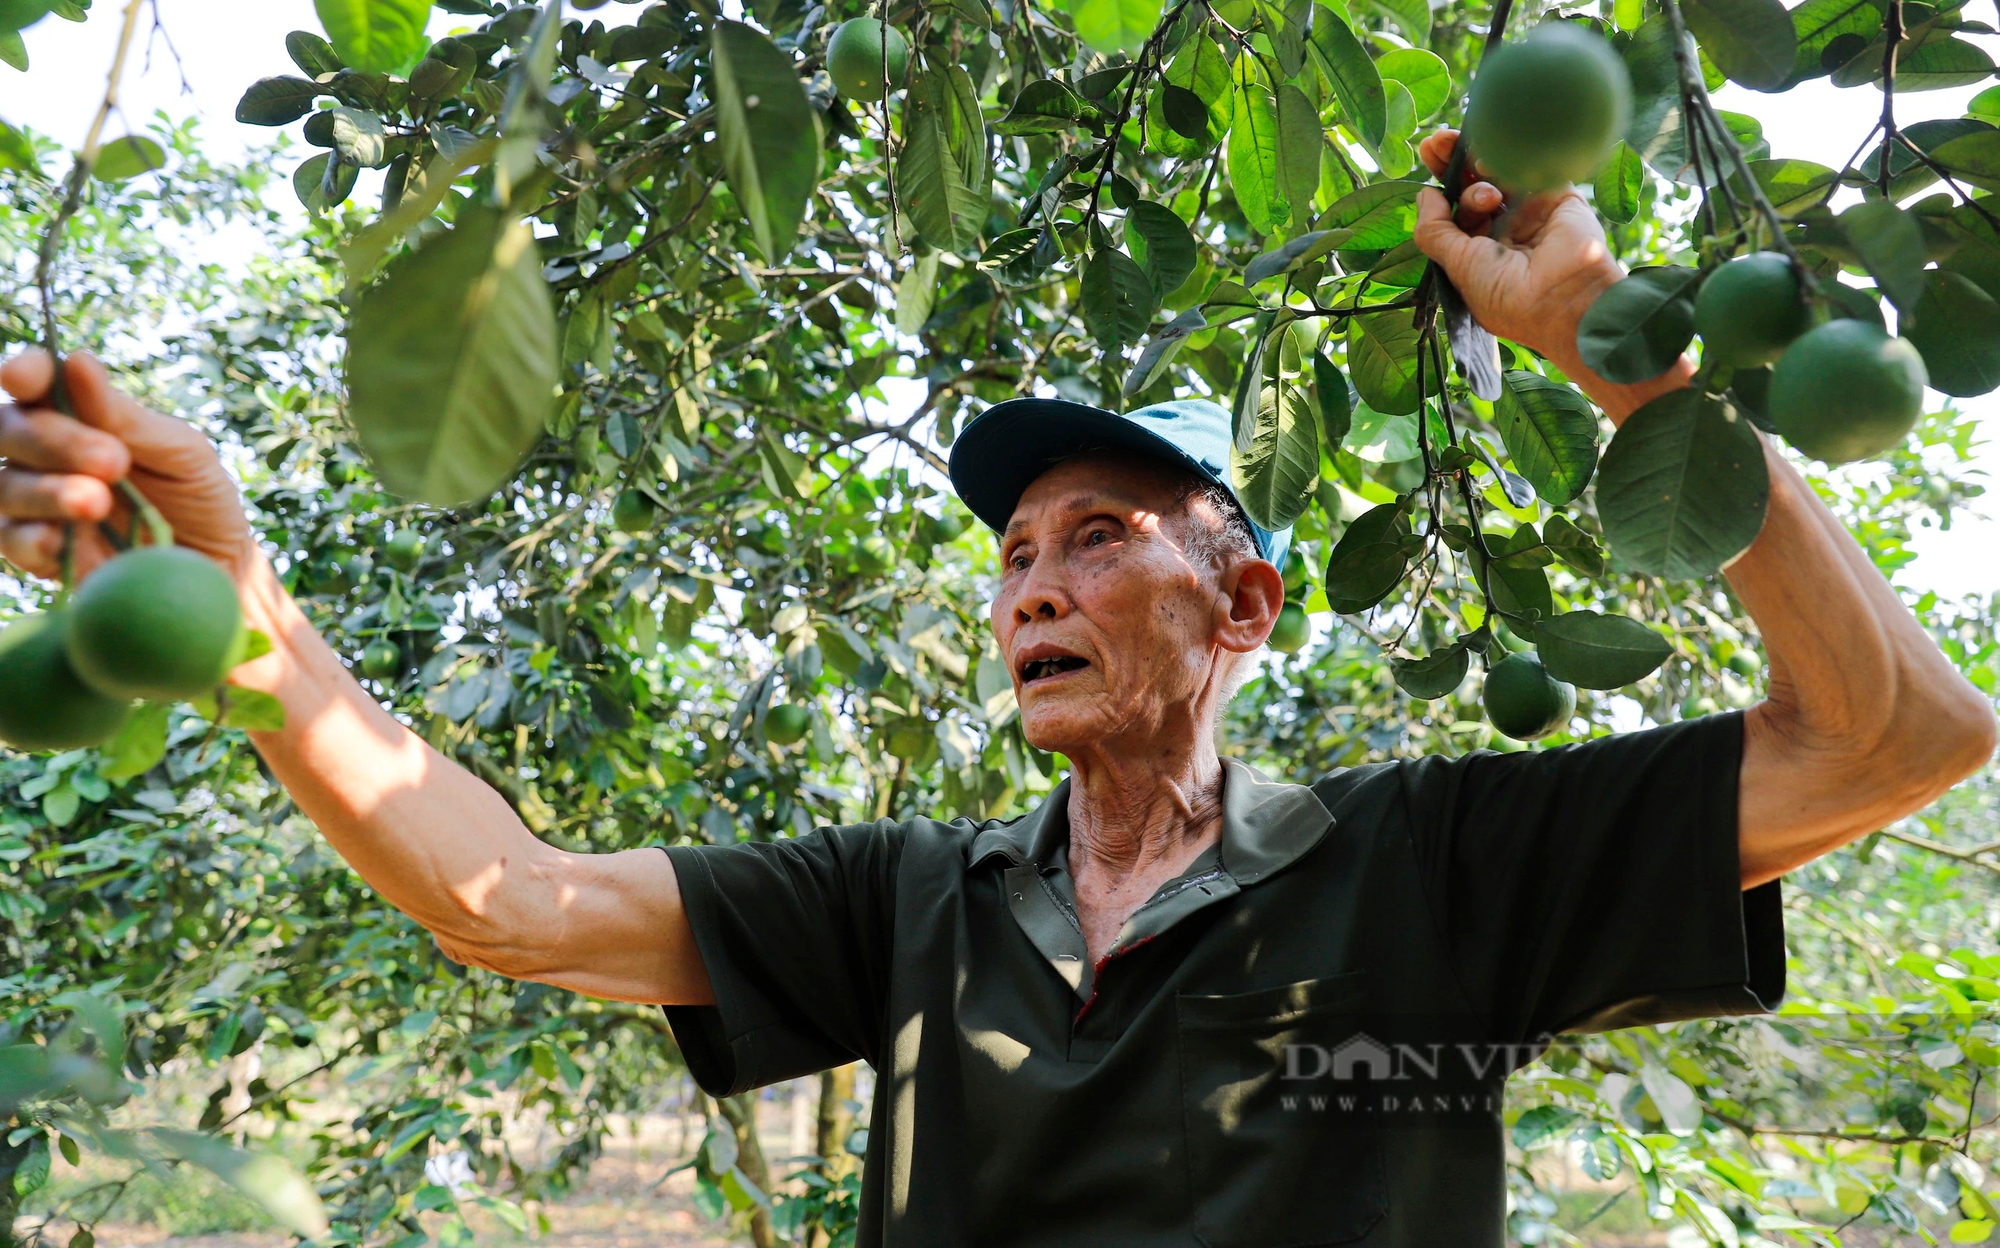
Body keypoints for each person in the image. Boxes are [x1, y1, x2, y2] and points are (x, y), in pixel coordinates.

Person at [1, 130, 1992, 1245]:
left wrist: (1620, 358)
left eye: (1102, 533)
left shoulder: (1428, 861)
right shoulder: (911, 897)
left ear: (1246, 603)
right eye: (1015, 552)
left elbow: (1897, 733)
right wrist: (231, 604)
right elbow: (502, 898)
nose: (1034, 580)